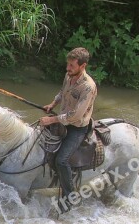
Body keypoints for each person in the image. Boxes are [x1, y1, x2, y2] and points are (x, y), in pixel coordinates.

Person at [40, 47, 98, 213]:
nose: (68, 68)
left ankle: (70, 197)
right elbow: (62, 92)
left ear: (83, 65)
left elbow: (76, 115)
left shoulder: (88, 87)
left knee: (61, 160)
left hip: (77, 127)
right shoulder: (69, 76)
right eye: (68, 64)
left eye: (72, 65)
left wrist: (52, 119)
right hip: (62, 119)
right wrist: (53, 104)